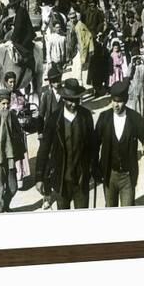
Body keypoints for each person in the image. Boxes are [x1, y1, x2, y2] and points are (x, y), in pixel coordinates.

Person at [35, 79, 95, 210]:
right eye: (70, 100)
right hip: (61, 180)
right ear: (63, 99)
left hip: (81, 180)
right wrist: (39, 177)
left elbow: (92, 147)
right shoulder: (54, 119)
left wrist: (93, 169)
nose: (73, 104)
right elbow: (44, 149)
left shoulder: (86, 117)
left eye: (76, 100)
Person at [93, 80, 144, 207]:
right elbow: (95, 144)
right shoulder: (104, 117)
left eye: (119, 101)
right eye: (114, 101)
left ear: (125, 100)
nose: (116, 105)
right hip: (109, 175)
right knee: (110, 209)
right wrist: (95, 167)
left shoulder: (134, 118)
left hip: (128, 176)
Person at [0, 88, 27, 213]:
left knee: (13, 187)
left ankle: (5, 205)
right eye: (3, 104)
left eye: (7, 103)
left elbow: (19, 134)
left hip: (10, 158)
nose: (5, 106)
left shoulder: (12, 117)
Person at [4, 71, 31, 189]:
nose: (12, 84)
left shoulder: (19, 93)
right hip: (8, 128)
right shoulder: (3, 95)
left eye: (14, 81)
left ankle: (20, 176)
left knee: (20, 152)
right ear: (6, 82)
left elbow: (24, 105)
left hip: (19, 128)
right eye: (10, 82)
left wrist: (24, 108)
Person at [7, 0, 36, 89]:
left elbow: (18, 29)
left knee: (20, 50)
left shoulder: (20, 12)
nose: (12, 8)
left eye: (13, 6)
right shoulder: (20, 11)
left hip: (27, 37)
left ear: (15, 5)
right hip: (23, 35)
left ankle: (28, 67)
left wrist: (12, 40)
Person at [127, 50, 144, 118]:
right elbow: (128, 75)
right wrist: (131, 63)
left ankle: (142, 125)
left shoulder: (142, 66)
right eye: (135, 59)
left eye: (138, 59)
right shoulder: (132, 67)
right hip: (134, 90)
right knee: (135, 109)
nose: (137, 60)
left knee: (142, 109)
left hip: (142, 90)